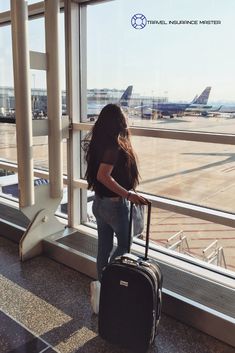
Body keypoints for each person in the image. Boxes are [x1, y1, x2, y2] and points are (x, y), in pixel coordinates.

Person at [83, 103, 147, 312]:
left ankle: (102, 289)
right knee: (125, 245)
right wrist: (128, 194)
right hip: (114, 205)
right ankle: (110, 282)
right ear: (119, 122)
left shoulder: (98, 143)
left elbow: (98, 176)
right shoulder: (114, 147)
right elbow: (104, 175)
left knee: (103, 247)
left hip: (99, 203)